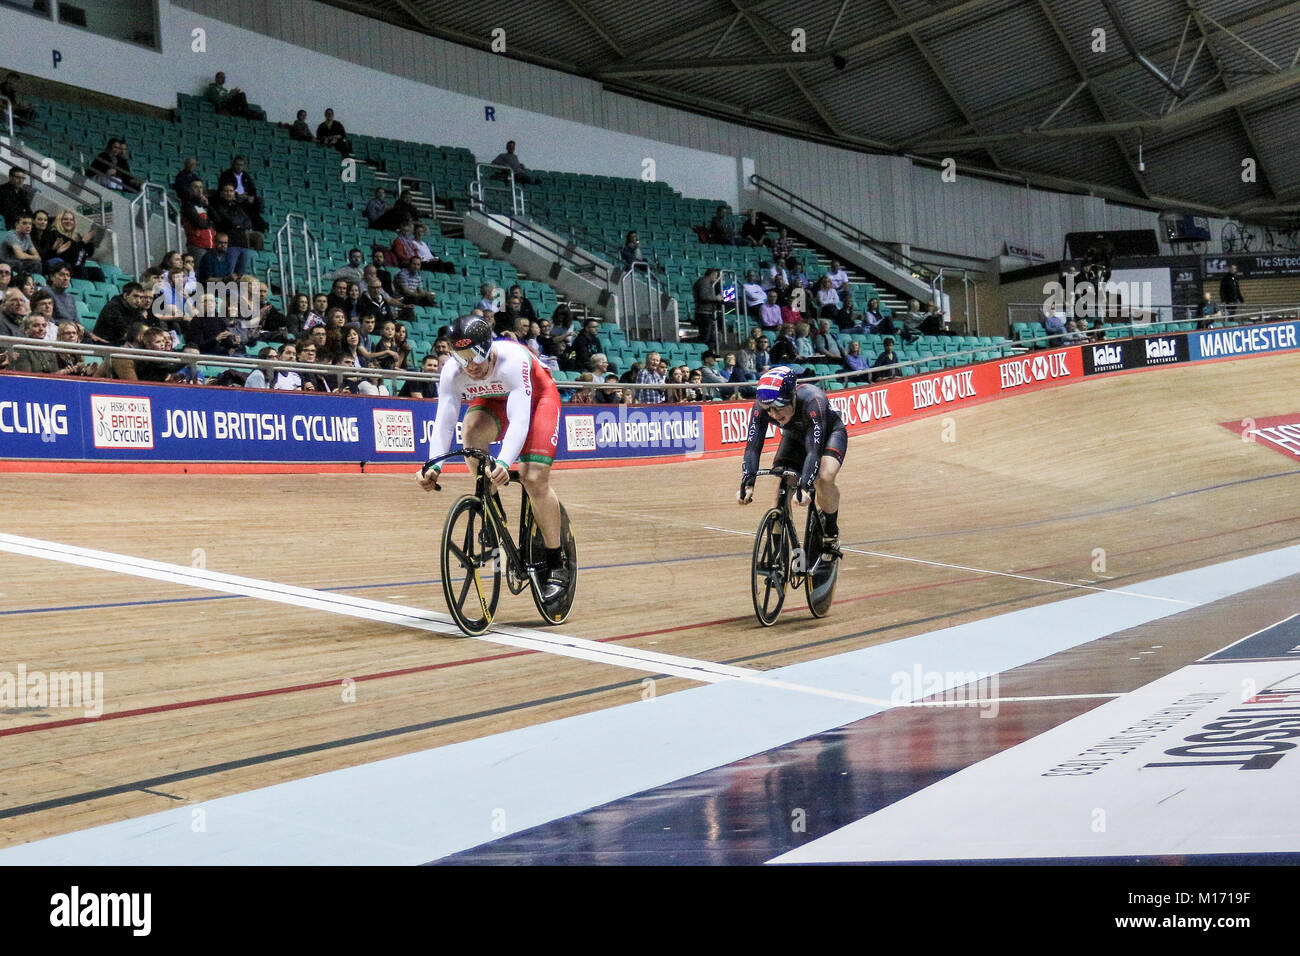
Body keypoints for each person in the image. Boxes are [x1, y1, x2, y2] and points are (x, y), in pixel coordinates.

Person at [418, 314, 571, 604]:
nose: (470, 365)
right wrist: (434, 465)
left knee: (532, 477)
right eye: (461, 357)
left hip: (537, 401)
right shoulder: (453, 371)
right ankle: (491, 504)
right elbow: (444, 422)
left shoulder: (512, 359)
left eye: (474, 355)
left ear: (488, 347)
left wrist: (503, 462)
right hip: (492, 400)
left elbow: (520, 421)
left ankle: (556, 562)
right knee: (471, 435)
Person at [737, 366, 847, 559]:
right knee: (781, 481)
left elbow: (814, 450)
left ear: (792, 397)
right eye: (768, 409)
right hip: (795, 437)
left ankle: (831, 532)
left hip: (829, 434)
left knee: (823, 477)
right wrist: (748, 482)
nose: (773, 414)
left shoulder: (813, 400)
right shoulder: (762, 407)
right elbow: (753, 447)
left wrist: (805, 486)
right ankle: (777, 553)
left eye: (778, 408)